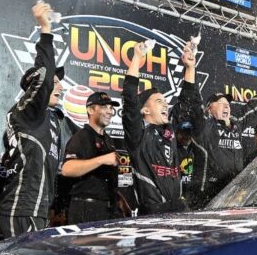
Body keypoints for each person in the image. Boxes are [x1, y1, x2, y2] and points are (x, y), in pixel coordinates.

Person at [0, 1, 65, 236]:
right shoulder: (27, 111)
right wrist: (45, 30)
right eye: (55, 83)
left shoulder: (52, 119)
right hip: (22, 208)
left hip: (39, 209)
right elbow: (44, 77)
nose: (60, 87)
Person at [189, 67, 257, 207]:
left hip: (231, 194)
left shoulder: (236, 122)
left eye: (228, 104)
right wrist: (190, 68)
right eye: (221, 103)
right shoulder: (203, 126)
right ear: (209, 109)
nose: (226, 106)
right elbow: (193, 100)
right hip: (207, 196)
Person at [122, 41, 197, 214]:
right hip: (151, 216)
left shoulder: (170, 133)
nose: (165, 105)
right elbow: (130, 98)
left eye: (165, 101)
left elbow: (185, 101)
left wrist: (190, 68)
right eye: (158, 101)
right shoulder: (138, 135)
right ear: (145, 109)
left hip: (177, 211)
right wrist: (137, 57)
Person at [61, 92, 120, 223]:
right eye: (105, 107)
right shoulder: (81, 137)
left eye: (111, 108)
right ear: (90, 110)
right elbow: (67, 169)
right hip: (85, 208)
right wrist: (102, 159)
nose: (110, 112)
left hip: (108, 209)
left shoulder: (109, 140)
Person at [176, 121, 197, 206]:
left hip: (192, 192)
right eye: (183, 133)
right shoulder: (173, 150)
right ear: (177, 133)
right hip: (178, 192)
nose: (186, 136)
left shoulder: (197, 149)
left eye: (188, 133)